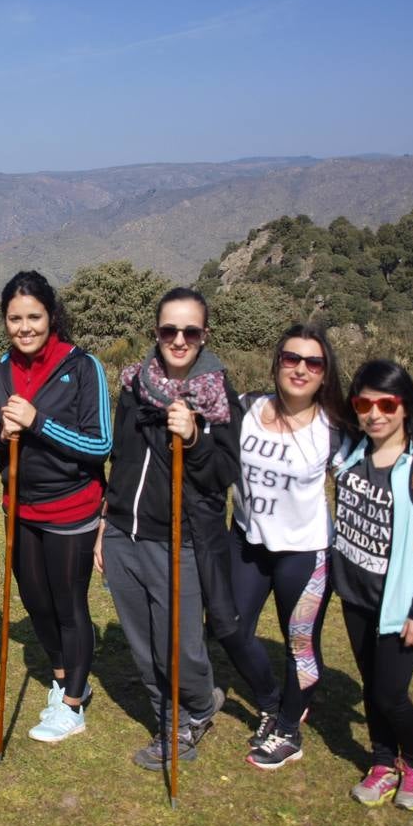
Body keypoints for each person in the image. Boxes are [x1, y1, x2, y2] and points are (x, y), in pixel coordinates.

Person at [94, 287, 237, 770]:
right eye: (169, 330)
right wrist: (105, 524)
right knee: (141, 644)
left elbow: (223, 473)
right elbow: (121, 459)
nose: (179, 340)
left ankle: (198, 703)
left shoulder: (217, 395)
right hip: (123, 533)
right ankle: (171, 723)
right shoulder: (134, 386)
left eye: (190, 331)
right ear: (156, 332)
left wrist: (194, 438)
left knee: (178, 645)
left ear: (204, 335)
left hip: (179, 538)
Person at [0, 270, 111, 743]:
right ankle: (63, 679)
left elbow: (100, 444)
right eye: (15, 319)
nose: (24, 327)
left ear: (51, 315)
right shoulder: (2, 371)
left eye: (33, 317)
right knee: (36, 602)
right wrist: (3, 434)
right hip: (20, 509)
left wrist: (38, 422)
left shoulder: (83, 366)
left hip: (72, 507)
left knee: (69, 604)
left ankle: (72, 706)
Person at [220, 323, 350, 770]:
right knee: (229, 628)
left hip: (305, 552)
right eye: (291, 358)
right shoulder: (246, 407)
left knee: (300, 644)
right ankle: (271, 701)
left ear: (325, 373)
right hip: (247, 541)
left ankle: (289, 729)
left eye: (313, 362)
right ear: (277, 363)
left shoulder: (333, 428)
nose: (300, 369)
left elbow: (376, 464)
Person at [333, 359, 413, 811]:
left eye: (386, 404)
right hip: (355, 595)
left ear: (406, 406)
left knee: (391, 694)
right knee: (371, 686)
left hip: (400, 605)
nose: (375, 414)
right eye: (363, 404)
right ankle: (383, 763)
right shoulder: (350, 454)